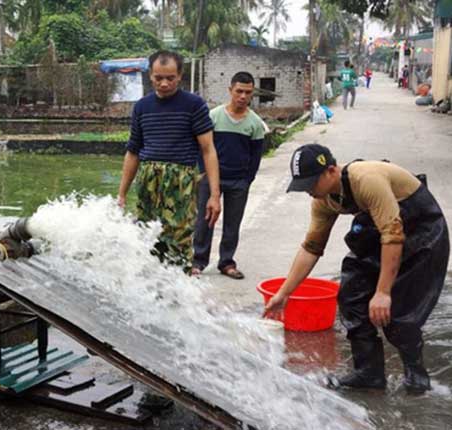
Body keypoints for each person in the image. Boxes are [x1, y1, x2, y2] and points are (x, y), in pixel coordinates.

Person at [264, 144, 449, 394]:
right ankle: (369, 373)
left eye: (310, 183)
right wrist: (284, 293)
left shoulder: (366, 180)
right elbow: (311, 248)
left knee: (399, 313)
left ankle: (416, 374)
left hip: (422, 230)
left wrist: (383, 292)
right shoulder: (323, 200)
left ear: (330, 171)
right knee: (351, 295)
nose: (308, 191)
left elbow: (393, 236)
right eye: (303, 186)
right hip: (383, 229)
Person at [117, 50, 221, 271]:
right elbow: (133, 151)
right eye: (158, 78)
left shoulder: (194, 105)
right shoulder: (142, 107)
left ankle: (179, 290)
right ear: (150, 76)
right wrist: (122, 193)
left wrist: (214, 194)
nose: (164, 83)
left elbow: (208, 150)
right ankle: (149, 289)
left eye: (170, 78)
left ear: (180, 75)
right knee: (146, 235)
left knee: (178, 240)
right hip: (148, 181)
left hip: (180, 182)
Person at [191, 72, 265, 279]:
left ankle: (226, 262)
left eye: (247, 92)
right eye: (239, 91)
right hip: (210, 178)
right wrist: (203, 173)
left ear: (252, 94)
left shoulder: (255, 123)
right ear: (230, 90)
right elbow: (202, 148)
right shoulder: (213, 117)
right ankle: (198, 261)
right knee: (204, 221)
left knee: (233, 223)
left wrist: (247, 180)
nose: (242, 96)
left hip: (238, 182)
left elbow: (256, 156)